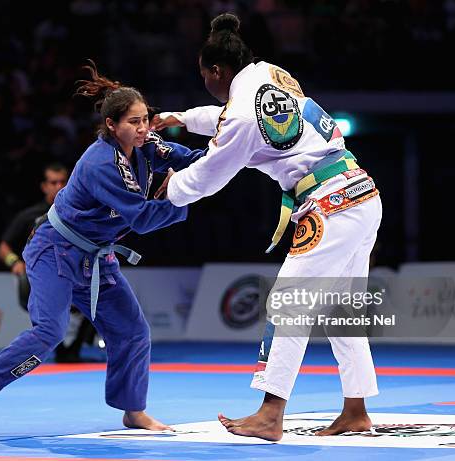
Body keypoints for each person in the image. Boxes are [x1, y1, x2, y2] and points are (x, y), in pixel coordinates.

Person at [152, 13, 382, 441]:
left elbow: (208, 176)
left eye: (204, 75)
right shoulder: (266, 73)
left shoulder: (240, 115)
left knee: (288, 304)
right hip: (360, 193)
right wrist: (181, 118)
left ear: (217, 71)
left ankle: (271, 413)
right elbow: (228, 115)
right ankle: (356, 410)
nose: (205, 82)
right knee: (341, 310)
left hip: (330, 202)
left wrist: (170, 190)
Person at [0, 62, 205, 429]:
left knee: (133, 330)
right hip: (54, 251)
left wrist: (221, 160)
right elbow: (140, 218)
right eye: (133, 122)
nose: (143, 129)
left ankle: (132, 409)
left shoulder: (145, 144)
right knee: (50, 331)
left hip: (97, 256)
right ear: (112, 125)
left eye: (145, 120)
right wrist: (181, 197)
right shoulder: (100, 163)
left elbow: (188, 159)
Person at [0, 162, 96, 363]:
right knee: (51, 319)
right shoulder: (29, 216)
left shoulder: (80, 213)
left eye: (63, 182)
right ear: (44, 186)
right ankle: (57, 350)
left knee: (100, 296)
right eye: (53, 182)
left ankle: (74, 350)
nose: (58, 186)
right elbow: (4, 247)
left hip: (76, 273)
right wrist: (15, 262)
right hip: (45, 277)